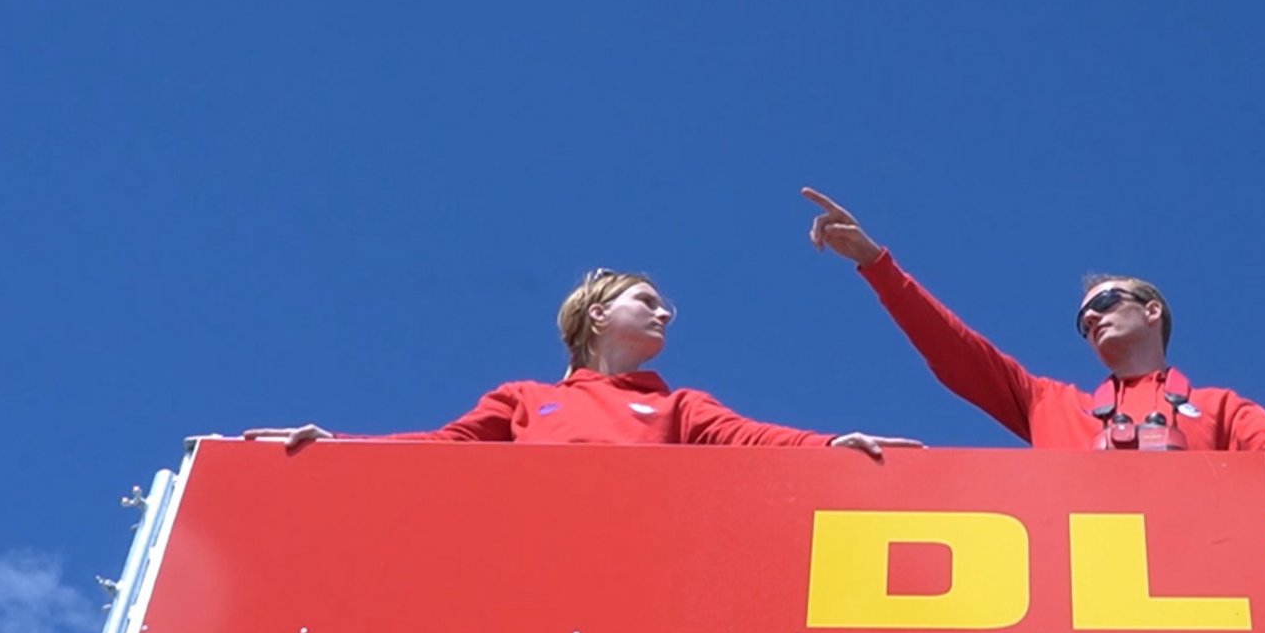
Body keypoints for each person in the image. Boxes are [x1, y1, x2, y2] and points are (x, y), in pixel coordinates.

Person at [801, 188, 1265, 485]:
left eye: (1105, 304)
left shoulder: (1221, 407)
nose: (1092, 321)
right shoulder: (1050, 404)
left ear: (1152, 311)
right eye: (1082, 322)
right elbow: (957, 353)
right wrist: (877, 264)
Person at [244, 268, 920, 455]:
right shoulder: (521, 398)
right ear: (597, 314)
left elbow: (750, 437)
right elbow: (442, 449)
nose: (664, 314)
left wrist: (831, 444)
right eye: (646, 301)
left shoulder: (680, 406)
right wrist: (340, 447)